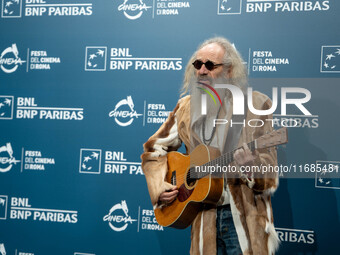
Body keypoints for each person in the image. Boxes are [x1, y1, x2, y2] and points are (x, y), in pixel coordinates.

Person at [141, 37, 280, 255]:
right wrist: (159, 186)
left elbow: (269, 172)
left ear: (230, 71)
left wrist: (250, 167)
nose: (202, 71)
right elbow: (153, 149)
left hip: (245, 223)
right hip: (203, 222)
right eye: (198, 64)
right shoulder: (186, 107)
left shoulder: (256, 105)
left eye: (210, 65)